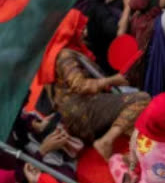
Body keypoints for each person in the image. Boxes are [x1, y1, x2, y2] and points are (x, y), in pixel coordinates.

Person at [24, 9, 149, 160]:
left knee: (127, 96)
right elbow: (80, 85)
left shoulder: (65, 51)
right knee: (142, 99)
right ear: (69, 30)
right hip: (81, 112)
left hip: (76, 110)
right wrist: (112, 80)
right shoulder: (64, 56)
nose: (84, 32)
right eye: (79, 28)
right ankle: (106, 141)